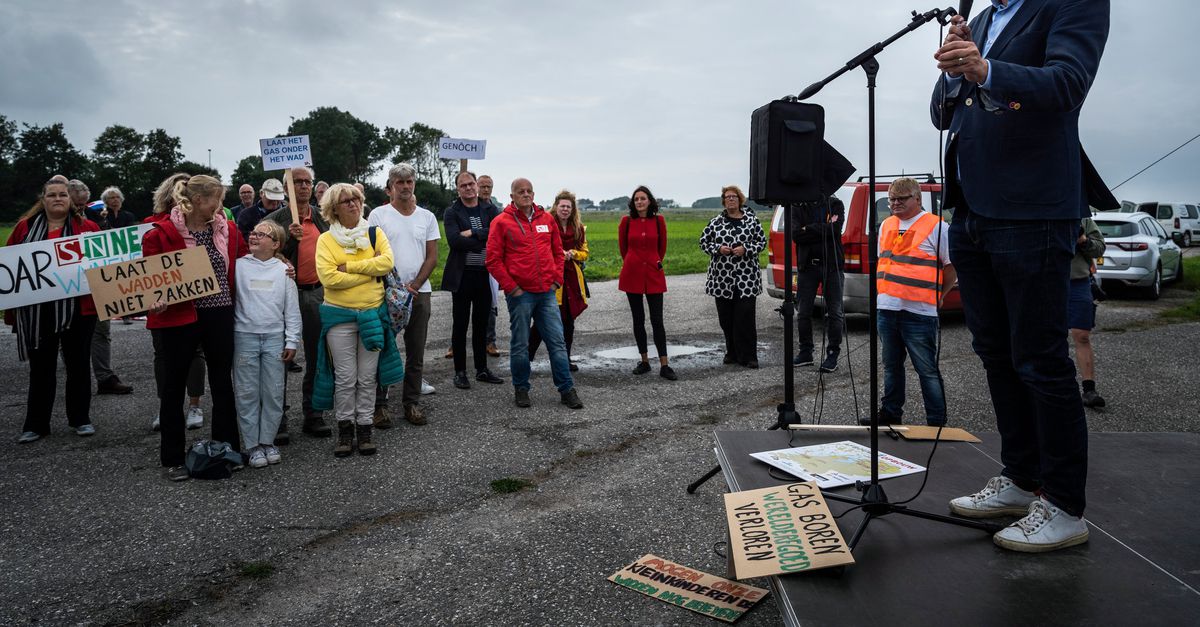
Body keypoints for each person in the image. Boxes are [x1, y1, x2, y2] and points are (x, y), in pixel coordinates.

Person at [931, 0, 1110, 551]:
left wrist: (985, 68)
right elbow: (944, 115)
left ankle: (1063, 506)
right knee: (997, 353)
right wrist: (953, 64)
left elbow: (1067, 83)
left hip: (1033, 209)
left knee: (1040, 358)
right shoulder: (982, 20)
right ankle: (1020, 478)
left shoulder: (1073, 4)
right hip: (973, 212)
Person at [143, 175, 248, 482]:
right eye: (218, 199)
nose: (222, 206)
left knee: (222, 382)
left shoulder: (228, 229)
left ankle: (226, 446)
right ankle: (173, 458)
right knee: (174, 387)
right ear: (200, 201)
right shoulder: (159, 234)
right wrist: (156, 299)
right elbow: (149, 281)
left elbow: (242, 262)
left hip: (220, 315)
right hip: (179, 319)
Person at [313, 183, 403, 457]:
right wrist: (369, 271)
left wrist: (350, 267)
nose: (353, 204)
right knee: (345, 377)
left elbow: (386, 263)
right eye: (345, 201)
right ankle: (345, 429)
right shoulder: (326, 240)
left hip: (372, 314)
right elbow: (329, 278)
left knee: (366, 377)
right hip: (339, 316)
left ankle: (364, 428)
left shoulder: (375, 234)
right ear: (333, 209)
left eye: (356, 198)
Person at [8, 180, 100, 443]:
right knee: (41, 368)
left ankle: (80, 419)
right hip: (38, 311)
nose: (57, 198)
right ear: (43, 199)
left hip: (78, 309)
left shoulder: (87, 228)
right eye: (52, 195)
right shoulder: (24, 228)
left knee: (79, 365)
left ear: (70, 200)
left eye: (62, 195)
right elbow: (12, 266)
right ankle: (36, 425)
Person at [485, 178, 584, 410]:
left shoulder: (546, 219)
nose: (526, 194)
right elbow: (493, 260)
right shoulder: (501, 222)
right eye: (521, 192)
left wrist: (556, 281)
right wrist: (512, 287)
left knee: (557, 343)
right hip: (520, 295)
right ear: (512, 196)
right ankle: (521, 388)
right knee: (520, 344)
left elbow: (558, 253)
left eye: (529, 191)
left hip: (547, 293)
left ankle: (567, 389)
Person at [867, 178, 956, 427]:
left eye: (901, 199)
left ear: (917, 199)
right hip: (887, 308)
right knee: (891, 366)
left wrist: (940, 296)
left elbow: (950, 267)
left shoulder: (937, 226)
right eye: (892, 199)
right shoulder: (886, 225)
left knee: (926, 370)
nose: (895, 203)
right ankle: (891, 412)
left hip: (919, 310)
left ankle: (937, 422)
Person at [367, 163, 440, 427]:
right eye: (400, 182)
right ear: (391, 186)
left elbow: (432, 256)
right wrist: (393, 286)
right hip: (385, 292)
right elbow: (373, 253)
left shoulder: (427, 217)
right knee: (384, 349)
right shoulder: (378, 215)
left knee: (416, 352)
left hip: (419, 293)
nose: (406, 186)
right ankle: (380, 406)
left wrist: (416, 284)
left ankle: (411, 403)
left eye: (409, 181)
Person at [265, 166, 332, 438]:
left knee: (317, 355)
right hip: (284, 295)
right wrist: (289, 241)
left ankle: (313, 413)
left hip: (317, 292)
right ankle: (277, 418)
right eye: (297, 182)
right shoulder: (273, 221)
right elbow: (264, 257)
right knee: (281, 356)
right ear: (286, 188)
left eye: (307, 182)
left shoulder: (322, 218)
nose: (303, 186)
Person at [145, 174, 207, 432]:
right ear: (168, 194)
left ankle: (194, 405)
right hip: (163, 307)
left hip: (198, 301)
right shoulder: (151, 226)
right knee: (163, 357)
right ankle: (167, 407)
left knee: (195, 354)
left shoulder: (206, 224)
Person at [443, 171, 505, 390]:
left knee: (481, 324)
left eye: (471, 184)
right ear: (458, 189)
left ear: (477, 186)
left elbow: (498, 233)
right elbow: (454, 242)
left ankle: (482, 369)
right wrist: (482, 238)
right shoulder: (452, 212)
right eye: (463, 185)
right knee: (460, 325)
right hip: (462, 276)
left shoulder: (490, 209)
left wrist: (472, 233)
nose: (468, 188)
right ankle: (460, 372)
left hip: (483, 275)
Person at [699, 185, 765, 368]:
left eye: (733, 197)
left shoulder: (752, 221)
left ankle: (750, 356)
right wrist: (718, 249)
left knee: (745, 319)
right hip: (721, 280)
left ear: (740, 199)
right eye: (727, 197)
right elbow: (703, 242)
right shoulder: (715, 223)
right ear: (723, 201)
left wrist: (746, 249)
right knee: (726, 319)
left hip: (746, 280)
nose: (730, 200)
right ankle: (732, 352)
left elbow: (762, 242)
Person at [618, 185, 676, 380]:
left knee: (657, 320)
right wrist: (633, 262)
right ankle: (644, 361)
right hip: (632, 273)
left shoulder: (659, 221)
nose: (640, 202)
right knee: (638, 319)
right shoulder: (626, 222)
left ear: (649, 201)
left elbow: (662, 248)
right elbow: (623, 249)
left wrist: (652, 261)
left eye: (643, 198)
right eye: (636, 200)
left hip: (653, 273)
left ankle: (664, 364)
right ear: (633, 203)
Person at [527, 190, 589, 371]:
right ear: (556, 206)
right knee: (541, 322)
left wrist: (573, 254)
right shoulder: (546, 223)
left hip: (571, 278)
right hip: (551, 276)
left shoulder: (578, 227)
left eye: (568, 206)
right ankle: (527, 359)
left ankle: (565, 359)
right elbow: (539, 246)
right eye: (562, 206)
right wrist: (558, 253)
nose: (565, 209)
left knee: (568, 322)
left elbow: (584, 253)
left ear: (572, 209)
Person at [790, 194, 845, 373]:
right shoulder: (798, 206)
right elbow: (797, 235)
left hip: (832, 267)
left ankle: (832, 355)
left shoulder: (835, 204)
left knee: (834, 312)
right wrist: (823, 229)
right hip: (807, 267)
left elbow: (835, 230)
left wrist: (809, 229)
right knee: (803, 312)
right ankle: (806, 352)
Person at [90, 185, 134, 395]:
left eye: (117, 197)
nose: (115, 200)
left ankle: (126, 311)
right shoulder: (96, 216)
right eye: (111, 198)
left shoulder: (127, 215)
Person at [1070, 217, 1106, 408]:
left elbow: (1100, 248)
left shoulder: (1081, 217)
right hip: (1046, 284)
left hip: (1078, 282)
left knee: (1082, 335)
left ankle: (1089, 390)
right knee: (1050, 337)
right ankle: (1054, 387)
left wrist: (1083, 240)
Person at [478, 174, 503, 358]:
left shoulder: (494, 210)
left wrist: (472, 232)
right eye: (483, 186)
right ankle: (456, 344)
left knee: (490, 304)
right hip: (468, 263)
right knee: (462, 308)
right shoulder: (467, 206)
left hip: (490, 262)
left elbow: (496, 232)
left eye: (489, 187)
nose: (486, 190)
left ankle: (490, 341)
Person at [237, 178, 284, 244]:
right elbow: (242, 239)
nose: (275, 202)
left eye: (278, 198)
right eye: (271, 198)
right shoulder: (246, 215)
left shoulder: (289, 213)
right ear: (261, 194)